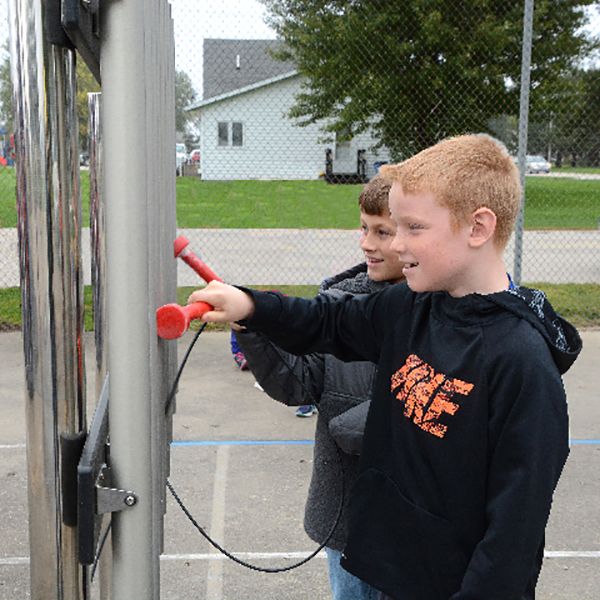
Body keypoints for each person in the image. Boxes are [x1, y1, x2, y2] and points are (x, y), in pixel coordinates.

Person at [188, 134, 582, 599]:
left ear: (478, 228)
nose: (395, 243)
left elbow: (513, 535)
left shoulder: (521, 362)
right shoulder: (411, 306)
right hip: (386, 566)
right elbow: (328, 321)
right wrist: (250, 306)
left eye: (413, 228)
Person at [233, 175, 404, 600]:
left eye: (383, 232)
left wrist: (365, 424)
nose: (367, 243)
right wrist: (251, 328)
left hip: (417, 528)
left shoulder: (450, 310)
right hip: (347, 521)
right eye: (364, 228)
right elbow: (298, 384)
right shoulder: (341, 297)